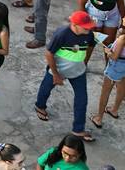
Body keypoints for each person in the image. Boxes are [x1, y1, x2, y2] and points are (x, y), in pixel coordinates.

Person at [33, 11, 96, 142]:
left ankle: (78, 129)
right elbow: (49, 53)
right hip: (58, 69)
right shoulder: (62, 33)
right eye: (85, 27)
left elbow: (90, 46)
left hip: (78, 71)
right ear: (74, 25)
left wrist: (84, 62)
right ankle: (40, 106)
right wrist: (55, 74)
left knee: (82, 99)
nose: (89, 29)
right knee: (46, 87)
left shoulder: (89, 34)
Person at [89, 16, 125, 129]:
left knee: (105, 91)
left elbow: (114, 56)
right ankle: (114, 110)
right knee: (122, 87)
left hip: (116, 66)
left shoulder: (122, 39)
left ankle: (99, 118)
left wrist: (108, 51)